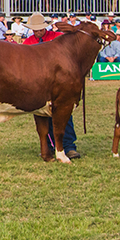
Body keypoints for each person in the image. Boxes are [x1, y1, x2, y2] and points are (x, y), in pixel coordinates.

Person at [21, 12, 80, 159]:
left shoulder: (57, 37)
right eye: (35, 29)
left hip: (58, 83)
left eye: (39, 29)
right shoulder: (27, 43)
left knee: (64, 115)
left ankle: (68, 146)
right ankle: (47, 146)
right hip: (38, 85)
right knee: (42, 117)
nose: (37, 31)